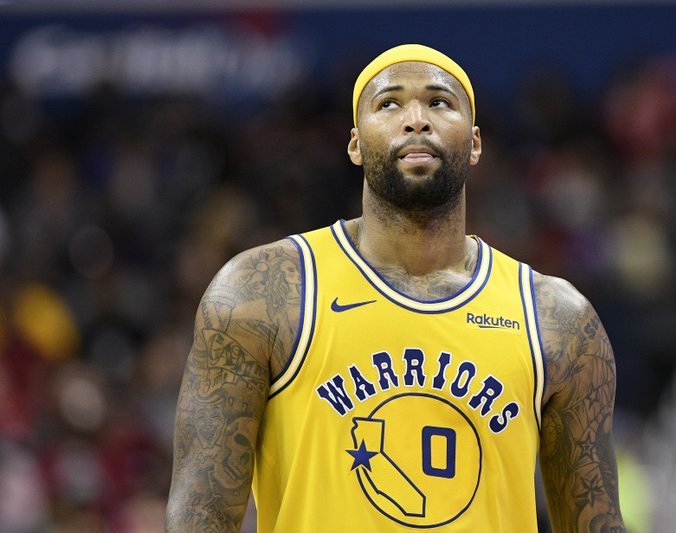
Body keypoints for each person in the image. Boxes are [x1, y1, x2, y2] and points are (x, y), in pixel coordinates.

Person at [165, 44, 625, 532]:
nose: (416, 119)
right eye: (388, 103)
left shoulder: (557, 320)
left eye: (439, 102)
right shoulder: (264, 292)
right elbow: (201, 514)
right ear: (355, 144)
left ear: (474, 144)